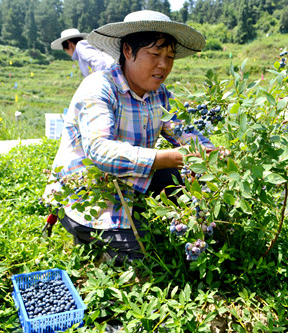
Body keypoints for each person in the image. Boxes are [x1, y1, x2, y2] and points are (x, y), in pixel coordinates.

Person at [44, 10, 214, 262]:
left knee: (187, 186)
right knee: (144, 257)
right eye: (155, 54)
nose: (164, 65)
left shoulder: (160, 95)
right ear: (127, 51)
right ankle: (85, 234)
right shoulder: (99, 87)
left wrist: (210, 152)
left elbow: (186, 133)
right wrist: (166, 157)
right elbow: (101, 151)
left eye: (170, 57)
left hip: (131, 182)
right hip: (90, 193)